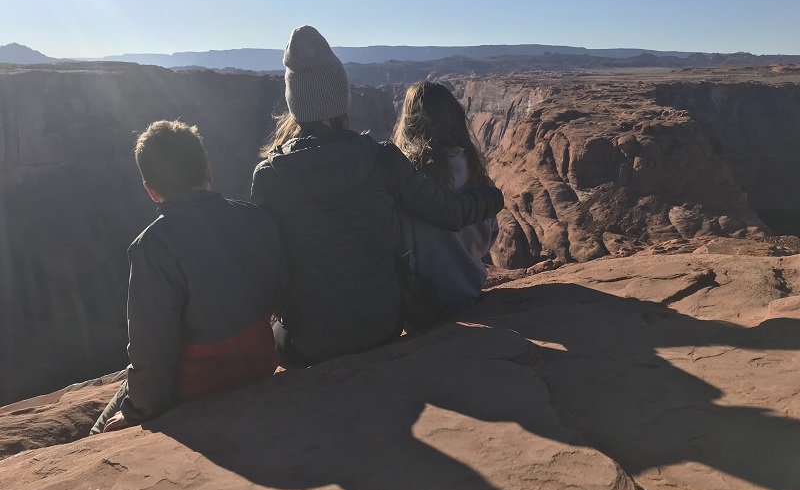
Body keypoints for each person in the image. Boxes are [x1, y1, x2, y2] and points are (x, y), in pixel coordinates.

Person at [251, 26, 504, 367]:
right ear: (342, 100)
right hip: (382, 327)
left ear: (295, 104)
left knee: (275, 329)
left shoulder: (270, 177)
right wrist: (492, 197)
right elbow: (450, 213)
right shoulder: (380, 158)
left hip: (311, 343)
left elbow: (267, 265)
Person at [91, 120, 286, 434]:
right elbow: (280, 295)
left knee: (98, 430)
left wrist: (138, 410)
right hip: (260, 364)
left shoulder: (152, 247)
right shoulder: (256, 218)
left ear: (151, 191)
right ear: (207, 170)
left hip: (196, 389)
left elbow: (152, 349)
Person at [392, 81, 499, 315]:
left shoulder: (406, 175)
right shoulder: (475, 171)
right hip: (470, 291)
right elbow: (490, 235)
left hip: (421, 302)